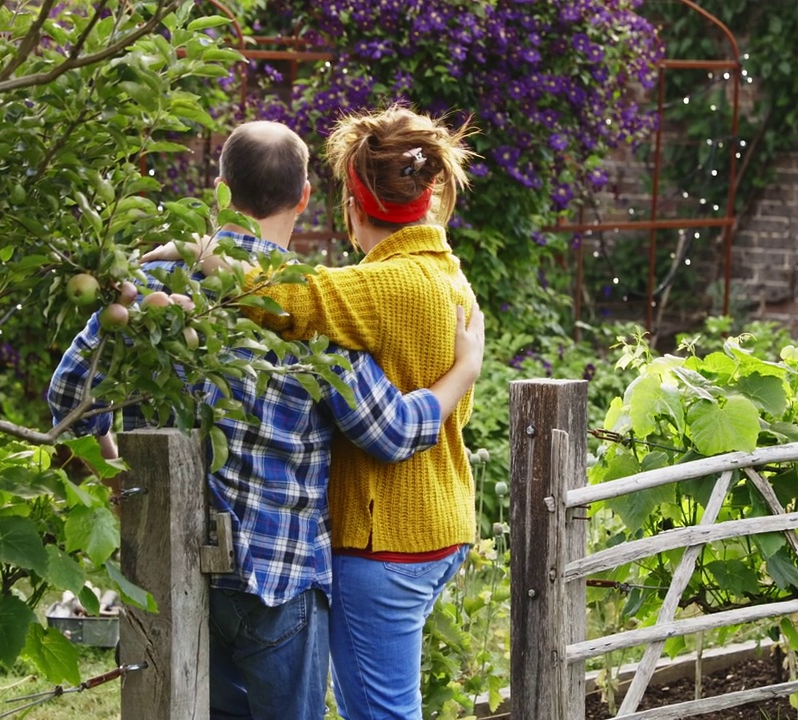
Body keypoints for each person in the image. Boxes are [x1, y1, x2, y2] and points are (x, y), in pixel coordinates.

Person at [47, 120, 485, 720]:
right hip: (279, 574)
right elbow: (391, 434)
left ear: (220, 187)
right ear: (305, 197)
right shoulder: (317, 309)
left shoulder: (148, 285)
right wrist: (464, 372)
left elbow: (69, 392)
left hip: (165, 559)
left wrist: (117, 476)